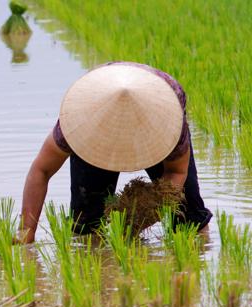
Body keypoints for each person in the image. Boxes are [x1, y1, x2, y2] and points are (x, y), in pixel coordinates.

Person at [18, 62, 212, 243]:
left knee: (190, 220)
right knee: (86, 227)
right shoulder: (79, 122)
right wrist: (26, 231)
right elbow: (41, 171)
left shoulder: (168, 119)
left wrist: (141, 219)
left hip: (153, 123)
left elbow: (176, 172)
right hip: (97, 129)